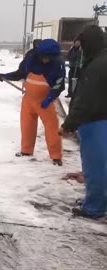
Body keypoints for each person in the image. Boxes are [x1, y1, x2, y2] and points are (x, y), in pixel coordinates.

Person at [60, 25, 107, 219]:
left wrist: (69, 124)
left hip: (96, 122)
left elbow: (84, 99)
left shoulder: (96, 66)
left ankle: (93, 208)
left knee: (96, 167)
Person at [0, 39, 66, 166]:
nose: (46, 60)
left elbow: (59, 85)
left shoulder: (58, 64)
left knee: (52, 128)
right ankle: (26, 151)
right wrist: (5, 76)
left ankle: (56, 156)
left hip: (46, 100)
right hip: (28, 99)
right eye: (44, 57)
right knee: (27, 125)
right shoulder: (30, 58)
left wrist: (49, 99)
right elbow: (20, 73)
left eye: (49, 57)